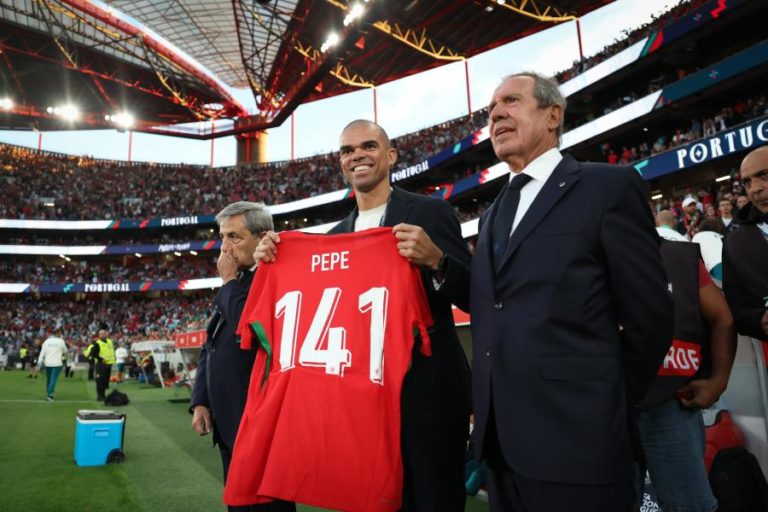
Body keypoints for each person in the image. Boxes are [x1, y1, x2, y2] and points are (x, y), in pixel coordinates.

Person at [454, 71, 673, 511]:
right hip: (501, 449)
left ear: (553, 115)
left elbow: (651, 316)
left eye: (511, 101)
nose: (496, 113)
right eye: (491, 109)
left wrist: (602, 395)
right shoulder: (494, 212)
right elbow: (493, 308)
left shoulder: (606, 187)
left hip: (580, 441)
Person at [255, 120, 473, 511]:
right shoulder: (335, 238)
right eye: (347, 150)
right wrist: (272, 258)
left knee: (434, 501)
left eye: (368, 146)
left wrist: (437, 261)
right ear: (341, 164)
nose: (357, 155)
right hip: (364, 406)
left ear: (390, 156)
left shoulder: (430, 212)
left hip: (428, 400)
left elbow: (476, 293)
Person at [189, 201, 294, 512]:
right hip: (228, 419)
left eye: (234, 237)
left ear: (263, 237)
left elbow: (249, 328)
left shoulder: (278, 275)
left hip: (259, 421)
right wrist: (201, 400)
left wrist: (229, 283)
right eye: (222, 237)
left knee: (264, 505)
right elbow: (212, 344)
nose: (224, 248)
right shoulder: (240, 281)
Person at [639, 232, 736, 512]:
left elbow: (723, 317)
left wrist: (718, 381)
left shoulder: (676, 256)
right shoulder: (577, 255)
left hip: (669, 401)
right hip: (603, 404)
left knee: (689, 505)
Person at [723, 146, 768, 340]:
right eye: (747, 182)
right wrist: (761, 320)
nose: (754, 188)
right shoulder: (734, 244)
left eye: (764, 175)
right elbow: (738, 310)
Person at [36, 326, 68, 401]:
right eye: (60, 333)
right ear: (58, 333)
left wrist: (39, 362)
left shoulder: (46, 341)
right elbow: (65, 351)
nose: (61, 334)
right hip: (57, 363)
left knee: (49, 379)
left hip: (48, 363)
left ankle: (49, 393)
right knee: (53, 379)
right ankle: (50, 395)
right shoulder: (61, 341)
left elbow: (42, 353)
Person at [90, 325, 115, 401]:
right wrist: (100, 359)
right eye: (102, 334)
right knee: (100, 380)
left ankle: (103, 395)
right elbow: (93, 353)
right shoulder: (97, 343)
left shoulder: (110, 342)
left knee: (105, 381)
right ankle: (99, 396)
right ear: (99, 335)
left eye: (105, 333)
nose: (104, 335)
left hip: (108, 364)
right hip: (101, 365)